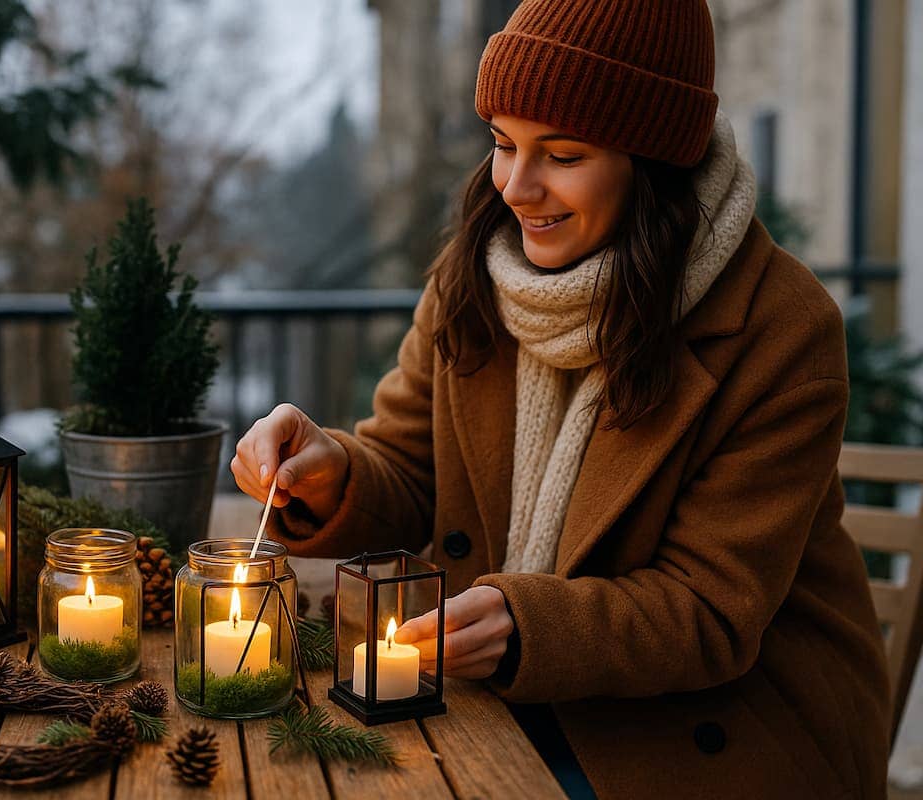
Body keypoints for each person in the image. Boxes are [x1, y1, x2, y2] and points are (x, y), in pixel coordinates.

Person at [230, 1, 890, 797]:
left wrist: (528, 627)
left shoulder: (779, 328)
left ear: (654, 163)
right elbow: (412, 470)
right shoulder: (472, 275)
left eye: (564, 154)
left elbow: (710, 613)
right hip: (492, 695)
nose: (515, 186)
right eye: (504, 143)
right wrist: (336, 472)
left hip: (713, 731)